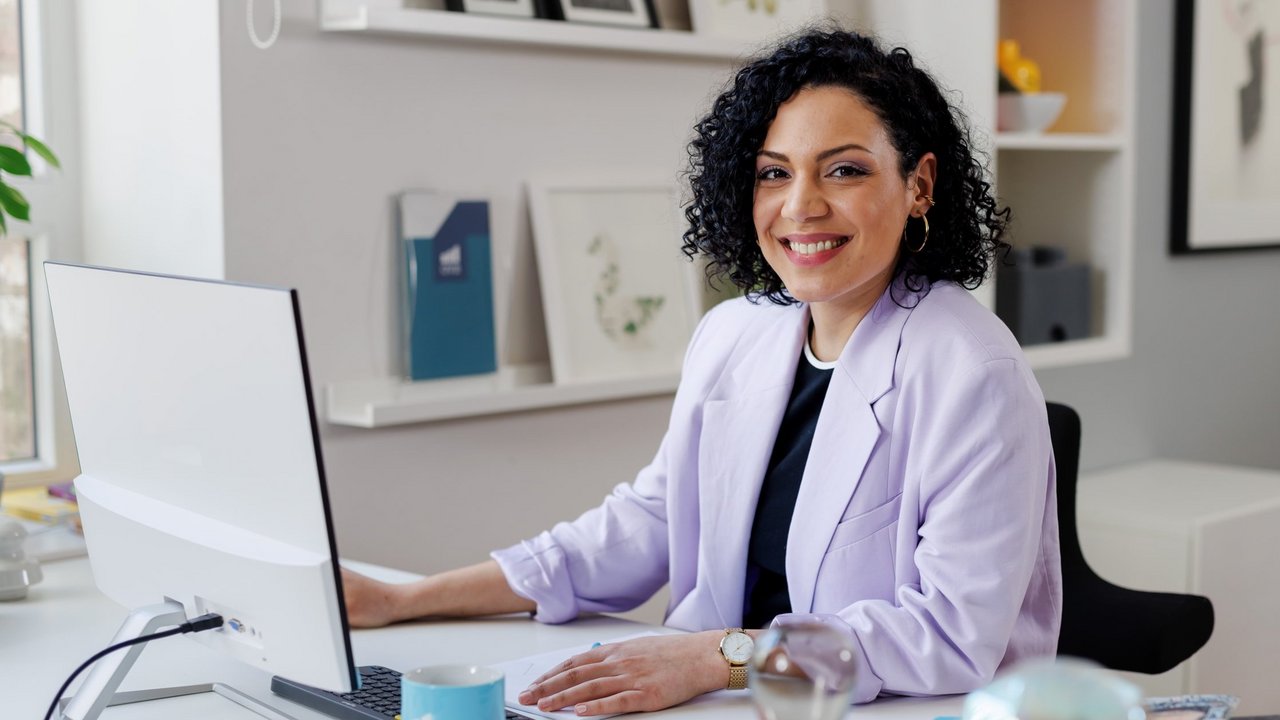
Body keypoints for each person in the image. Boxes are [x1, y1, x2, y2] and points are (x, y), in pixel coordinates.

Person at [343, 27, 1062, 716]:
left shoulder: (974, 372)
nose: (801, 206)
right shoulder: (734, 333)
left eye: (844, 169)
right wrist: (401, 600)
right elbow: (651, 522)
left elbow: (948, 632)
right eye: (774, 174)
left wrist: (716, 658)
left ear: (919, 186)